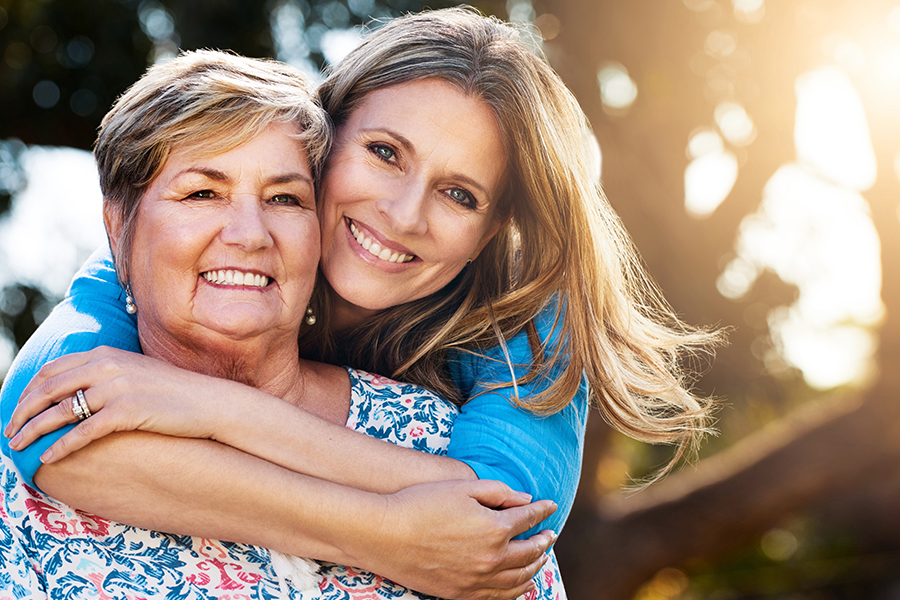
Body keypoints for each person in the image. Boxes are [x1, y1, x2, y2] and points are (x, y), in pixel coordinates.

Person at [4, 6, 718, 595]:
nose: (404, 214)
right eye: (384, 152)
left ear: (491, 230)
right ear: (324, 137)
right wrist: (385, 531)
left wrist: (211, 406)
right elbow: (40, 420)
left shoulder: (526, 320)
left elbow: (505, 527)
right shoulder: (186, 249)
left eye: (459, 194)